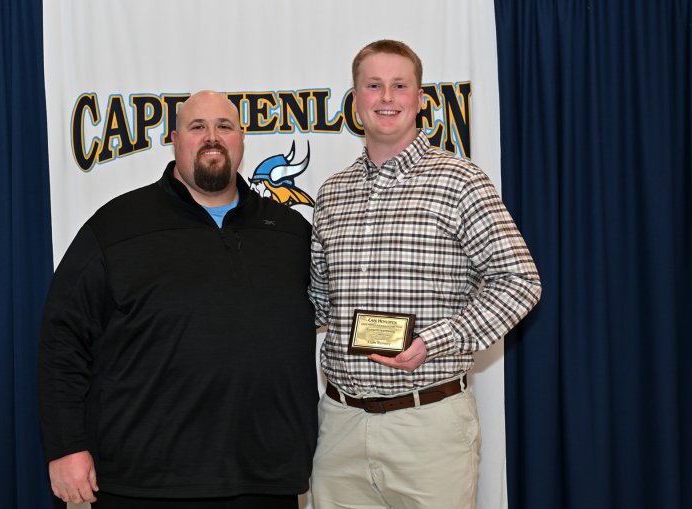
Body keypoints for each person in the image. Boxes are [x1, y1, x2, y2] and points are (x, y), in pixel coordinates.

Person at [38, 90, 318, 509]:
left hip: (264, 479)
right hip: (146, 483)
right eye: (197, 127)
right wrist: (66, 446)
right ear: (174, 139)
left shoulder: (289, 232)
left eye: (224, 126)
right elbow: (62, 341)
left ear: (242, 139)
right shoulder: (117, 227)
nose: (212, 137)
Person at [308, 40, 542, 508]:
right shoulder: (332, 193)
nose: (387, 98)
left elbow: (520, 281)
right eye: (373, 86)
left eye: (400, 86)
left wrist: (433, 341)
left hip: (428, 425)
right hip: (340, 425)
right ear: (355, 100)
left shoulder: (460, 181)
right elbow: (319, 301)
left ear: (420, 99)